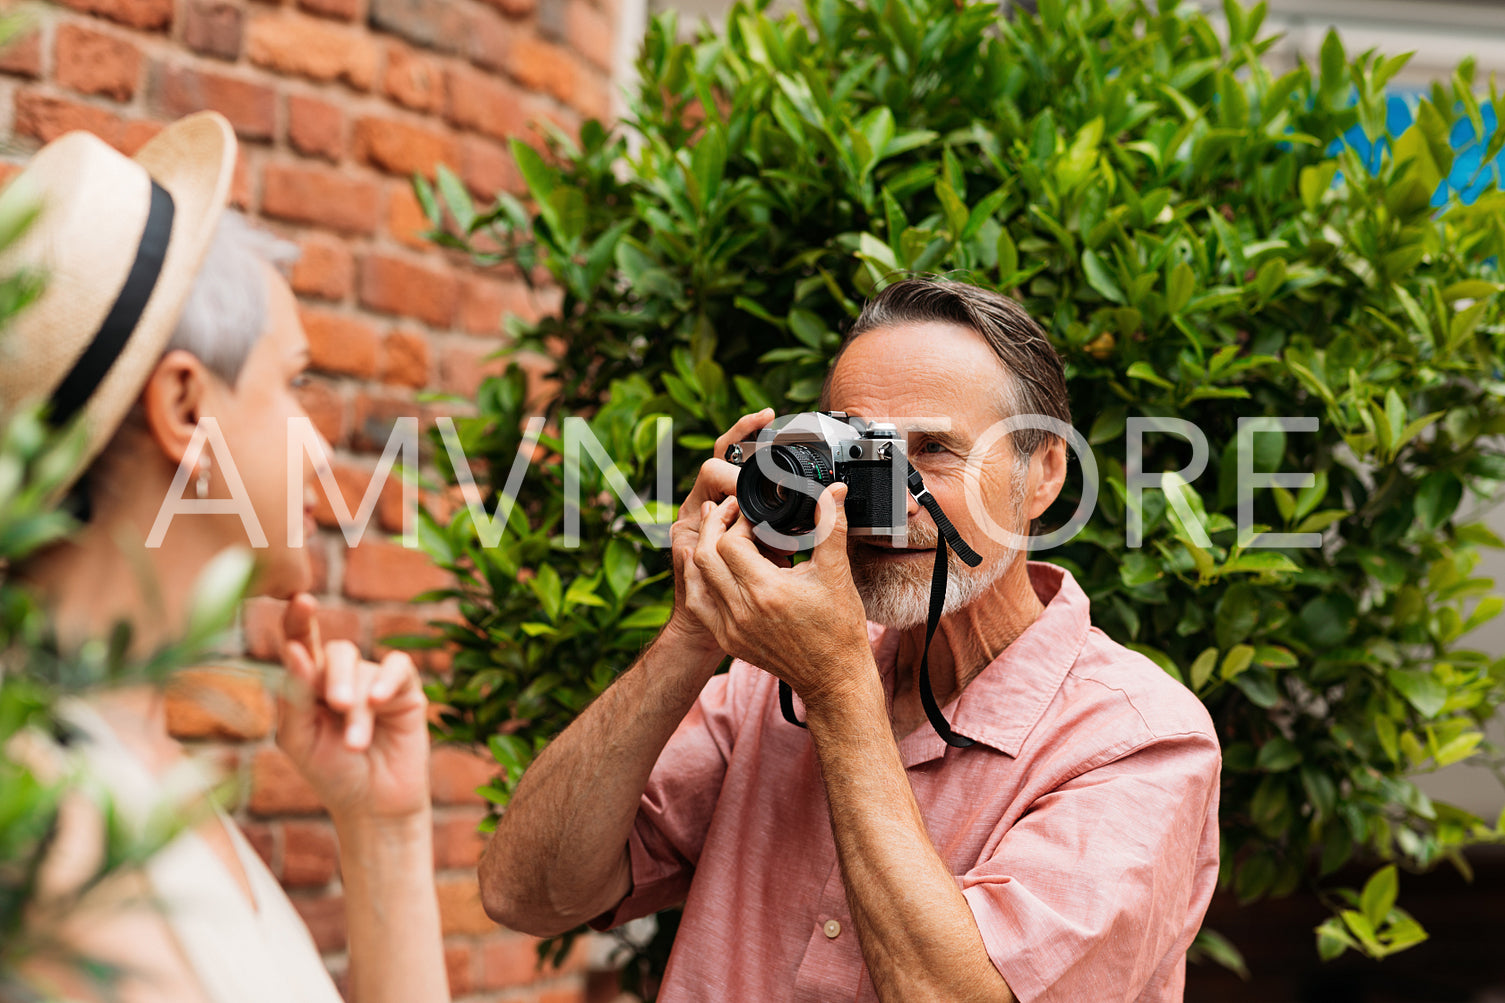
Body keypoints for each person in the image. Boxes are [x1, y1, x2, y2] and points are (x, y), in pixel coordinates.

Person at [478, 279, 1223, 1002]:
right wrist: (692, 629)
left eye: (931, 450)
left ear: (1043, 474)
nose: (887, 501)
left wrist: (838, 690)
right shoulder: (766, 684)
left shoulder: (1137, 740)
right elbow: (526, 892)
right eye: (861, 453)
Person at [2, 113, 449, 1002]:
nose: (323, 453)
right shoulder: (48, 829)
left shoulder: (135, 768)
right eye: (293, 384)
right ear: (184, 409)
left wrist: (383, 830)